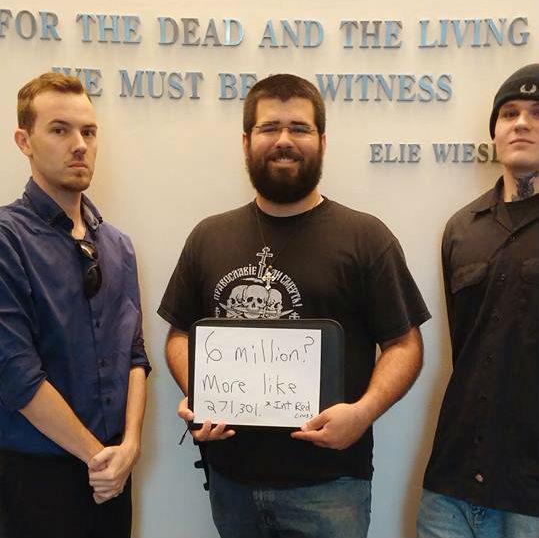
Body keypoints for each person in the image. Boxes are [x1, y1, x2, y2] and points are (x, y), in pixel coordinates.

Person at [159, 73, 430, 538]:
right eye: (269, 128)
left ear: (322, 141)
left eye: (299, 128)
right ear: (246, 141)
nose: (284, 140)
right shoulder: (209, 237)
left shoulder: (366, 238)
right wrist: (200, 394)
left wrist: (363, 413)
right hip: (231, 481)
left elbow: (405, 344)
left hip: (331, 486)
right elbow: (179, 335)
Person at [0, 72, 151, 538]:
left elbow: (135, 355)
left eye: (88, 131)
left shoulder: (118, 245)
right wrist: (98, 458)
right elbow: (15, 372)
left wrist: (129, 447)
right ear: (24, 140)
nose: (79, 145)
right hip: (34, 479)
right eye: (60, 130)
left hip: (112, 473)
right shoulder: (8, 239)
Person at [417, 64, 539, 538]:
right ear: (495, 129)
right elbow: (463, 345)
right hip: (454, 480)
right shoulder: (461, 229)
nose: (522, 123)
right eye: (509, 113)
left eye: (535, 113)